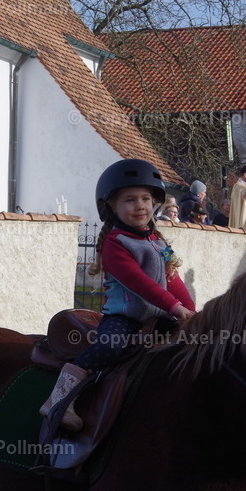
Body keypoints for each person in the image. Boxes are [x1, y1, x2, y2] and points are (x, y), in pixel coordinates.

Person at [39, 159, 196, 430]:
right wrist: (175, 307)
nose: (140, 205)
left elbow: (173, 279)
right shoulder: (115, 243)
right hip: (123, 319)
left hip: (160, 317)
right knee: (109, 347)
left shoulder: (159, 242)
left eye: (146, 198)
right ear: (112, 206)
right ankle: (58, 399)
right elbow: (140, 283)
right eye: (130, 200)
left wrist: (191, 311)